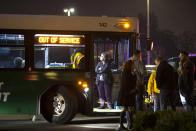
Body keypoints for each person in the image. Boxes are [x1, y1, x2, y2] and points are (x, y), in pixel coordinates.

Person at [117, 60, 137, 130]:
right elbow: (127, 83)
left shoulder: (128, 72)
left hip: (128, 93)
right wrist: (132, 90)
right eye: (133, 65)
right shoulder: (126, 73)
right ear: (130, 65)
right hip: (126, 94)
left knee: (129, 108)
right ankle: (123, 125)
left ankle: (128, 124)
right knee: (127, 108)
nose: (134, 66)